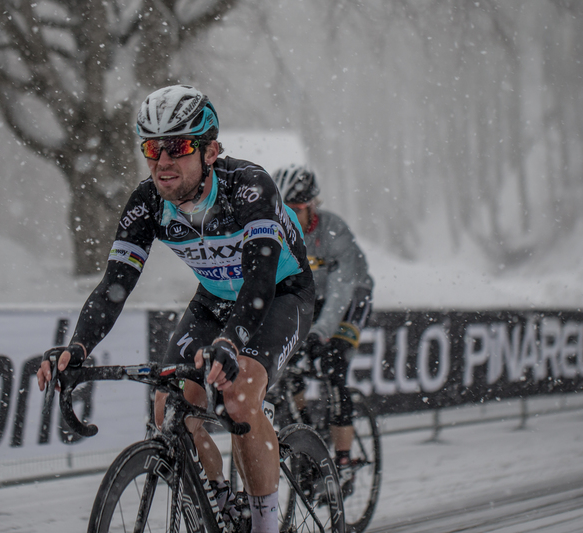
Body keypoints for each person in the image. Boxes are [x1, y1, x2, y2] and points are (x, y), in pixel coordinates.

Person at [37, 85, 315, 533]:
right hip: (214, 299)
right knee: (168, 408)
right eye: (152, 148)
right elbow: (114, 285)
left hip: (280, 293)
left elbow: (260, 278)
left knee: (239, 397)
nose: (162, 161)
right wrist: (79, 346)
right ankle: (219, 501)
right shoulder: (147, 202)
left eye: (178, 146)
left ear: (210, 151)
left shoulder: (248, 188)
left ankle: (264, 525)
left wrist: (231, 341)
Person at [270, 164, 374, 483]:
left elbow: (342, 290)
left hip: (351, 298)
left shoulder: (334, 231)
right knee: (285, 366)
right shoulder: (277, 233)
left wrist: (320, 333)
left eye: (297, 210)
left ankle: (342, 462)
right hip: (312, 299)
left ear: (313, 205)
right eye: (284, 210)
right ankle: (306, 433)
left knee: (333, 363)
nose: (291, 218)